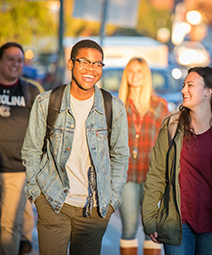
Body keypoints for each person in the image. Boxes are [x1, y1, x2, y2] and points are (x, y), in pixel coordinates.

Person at [21, 39, 129, 255]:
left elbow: (120, 156)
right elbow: (31, 149)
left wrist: (111, 202)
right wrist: (36, 194)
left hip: (94, 210)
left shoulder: (113, 107)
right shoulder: (46, 102)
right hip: (53, 202)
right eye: (84, 62)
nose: (91, 69)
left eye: (97, 64)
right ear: (71, 64)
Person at [142, 66, 212, 255]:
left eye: (190, 85)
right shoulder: (172, 127)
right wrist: (149, 218)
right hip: (177, 223)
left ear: (208, 91)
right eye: (184, 85)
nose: (183, 90)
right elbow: (156, 175)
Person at [118, 57, 170, 255]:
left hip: (154, 179)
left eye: (140, 71)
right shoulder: (118, 106)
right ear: (126, 75)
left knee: (153, 231)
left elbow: (170, 143)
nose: (135, 75)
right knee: (129, 228)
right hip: (127, 176)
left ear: (146, 75)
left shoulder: (159, 106)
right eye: (131, 70)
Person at [0, 42, 40, 255]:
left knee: (9, 227)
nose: (15, 64)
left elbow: (41, 130)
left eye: (19, 60)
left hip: (16, 170)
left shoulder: (30, 91)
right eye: (10, 59)